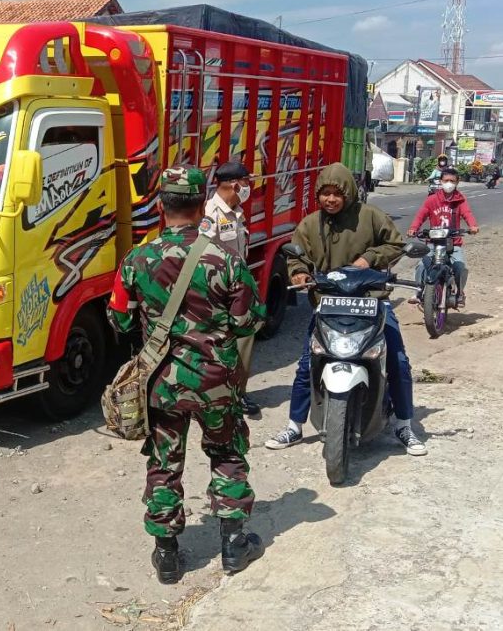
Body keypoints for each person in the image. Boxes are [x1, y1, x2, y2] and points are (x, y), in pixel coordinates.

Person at [107, 166, 266, 584]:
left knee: (164, 462)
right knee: (227, 454)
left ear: (161, 206)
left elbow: (119, 321)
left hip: (161, 383)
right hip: (216, 383)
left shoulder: (137, 259)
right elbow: (249, 321)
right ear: (200, 207)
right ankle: (233, 547)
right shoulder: (226, 260)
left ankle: (167, 556)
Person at [264, 162, 427, 456]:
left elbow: (396, 244)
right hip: (328, 304)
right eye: (324, 193)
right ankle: (294, 425)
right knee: (306, 365)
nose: (330, 199)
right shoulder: (310, 224)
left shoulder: (370, 216)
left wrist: (370, 258)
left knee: (398, 362)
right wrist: (299, 275)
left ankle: (404, 424)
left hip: (373, 301)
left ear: (348, 193)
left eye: (336, 194)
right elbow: (296, 255)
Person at [201, 161, 261, 416]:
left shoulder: (236, 211)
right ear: (235, 184)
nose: (249, 187)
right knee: (217, 345)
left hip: (237, 288)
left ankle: (237, 393)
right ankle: (219, 396)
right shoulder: (210, 214)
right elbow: (202, 257)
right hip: (217, 292)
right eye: (247, 182)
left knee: (243, 341)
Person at [407, 167, 479, 308]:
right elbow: (421, 215)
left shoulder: (460, 200)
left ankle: (460, 294)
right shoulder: (432, 199)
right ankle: (418, 291)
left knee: (460, 266)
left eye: (452, 181)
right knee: (422, 265)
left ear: (457, 182)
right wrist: (413, 228)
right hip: (434, 241)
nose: (449, 183)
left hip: (454, 242)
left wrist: (473, 226)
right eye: (446, 180)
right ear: (441, 181)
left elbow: (467, 213)